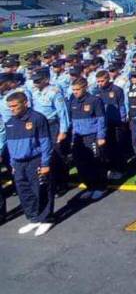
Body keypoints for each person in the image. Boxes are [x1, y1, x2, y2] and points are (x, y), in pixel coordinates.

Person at [0, 92, 54, 235]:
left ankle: (46, 219)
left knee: (40, 190)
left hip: (34, 160)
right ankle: (33, 219)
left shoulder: (37, 118)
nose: (12, 109)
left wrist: (45, 163)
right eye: (9, 106)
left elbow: (45, 142)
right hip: (18, 163)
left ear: (25, 103)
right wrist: (12, 164)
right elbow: (10, 145)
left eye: (14, 106)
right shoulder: (10, 122)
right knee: (24, 192)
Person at [29, 67, 70, 193]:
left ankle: (62, 182)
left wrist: (63, 131)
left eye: (38, 81)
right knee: (43, 152)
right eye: (35, 81)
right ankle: (50, 180)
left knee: (56, 154)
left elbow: (62, 112)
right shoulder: (34, 92)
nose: (35, 83)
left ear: (46, 79)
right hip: (39, 126)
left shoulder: (54, 92)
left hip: (52, 125)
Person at [67, 77, 108, 199]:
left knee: (95, 162)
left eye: (77, 89)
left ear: (85, 88)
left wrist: (101, 136)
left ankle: (101, 187)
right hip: (78, 137)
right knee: (81, 163)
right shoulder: (72, 101)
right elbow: (72, 121)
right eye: (73, 89)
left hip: (92, 136)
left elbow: (101, 119)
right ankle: (90, 186)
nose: (75, 92)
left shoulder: (94, 100)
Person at [94, 70, 128, 180]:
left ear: (108, 79)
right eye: (98, 81)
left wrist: (122, 120)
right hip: (104, 124)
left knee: (117, 147)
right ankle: (111, 168)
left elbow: (122, 106)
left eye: (102, 81)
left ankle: (121, 169)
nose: (100, 83)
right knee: (106, 148)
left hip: (116, 123)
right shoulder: (96, 91)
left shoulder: (117, 90)